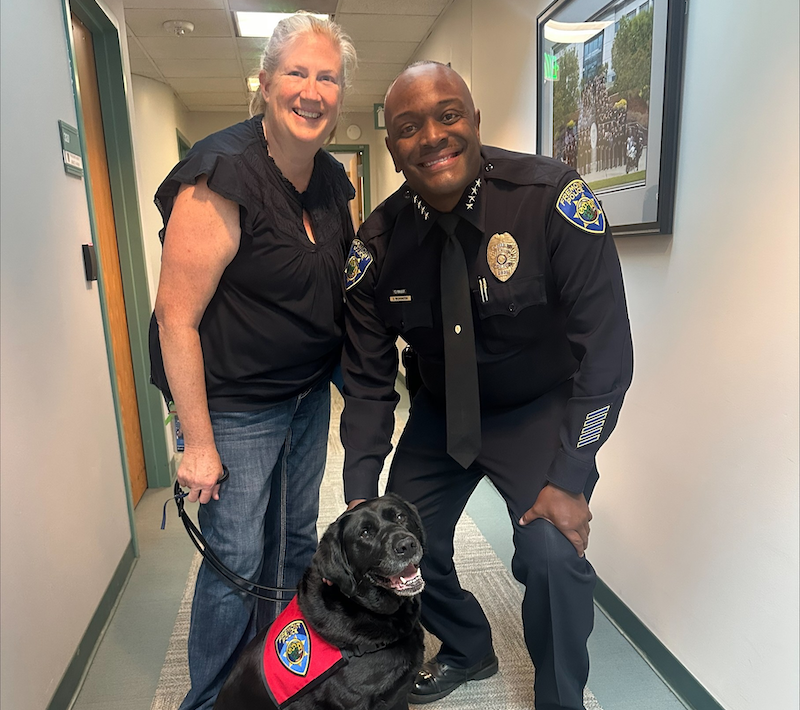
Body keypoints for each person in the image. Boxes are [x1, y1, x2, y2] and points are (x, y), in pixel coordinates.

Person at [340, 61, 633, 710]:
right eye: (409, 126)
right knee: (393, 555)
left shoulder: (550, 198)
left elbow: (606, 355)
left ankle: (561, 700)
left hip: (537, 411)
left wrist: (574, 471)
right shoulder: (377, 245)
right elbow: (365, 379)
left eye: (448, 115)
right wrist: (360, 491)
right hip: (442, 414)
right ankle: (469, 646)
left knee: (553, 557)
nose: (433, 136)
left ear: (474, 121)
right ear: (392, 148)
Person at [148, 13, 357, 710]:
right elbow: (175, 319)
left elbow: (334, 288)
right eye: (296, 72)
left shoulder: (331, 181)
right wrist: (197, 442)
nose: (311, 89)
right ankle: (209, 700)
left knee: (294, 545)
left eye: (326, 77)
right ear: (264, 84)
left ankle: (274, 683)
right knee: (236, 560)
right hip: (236, 410)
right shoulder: (222, 173)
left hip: (305, 401)